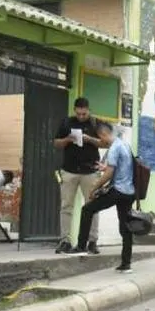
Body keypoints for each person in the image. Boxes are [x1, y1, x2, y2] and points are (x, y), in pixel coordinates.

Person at [71, 121, 136, 274]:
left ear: (103, 135)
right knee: (125, 228)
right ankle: (126, 264)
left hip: (118, 191)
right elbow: (120, 168)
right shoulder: (125, 145)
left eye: (100, 138)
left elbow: (109, 175)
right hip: (129, 192)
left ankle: (81, 247)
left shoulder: (114, 148)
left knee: (87, 209)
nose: (101, 141)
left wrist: (94, 188)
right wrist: (105, 167)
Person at [54, 97, 104, 255]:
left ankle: (92, 241)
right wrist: (68, 139)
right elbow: (56, 143)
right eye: (79, 113)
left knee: (92, 207)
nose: (82, 116)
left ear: (88, 110)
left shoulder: (96, 123)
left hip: (90, 171)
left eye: (84, 114)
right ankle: (65, 241)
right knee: (66, 206)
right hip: (69, 170)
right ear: (75, 110)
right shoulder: (66, 123)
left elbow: (106, 143)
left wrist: (90, 139)